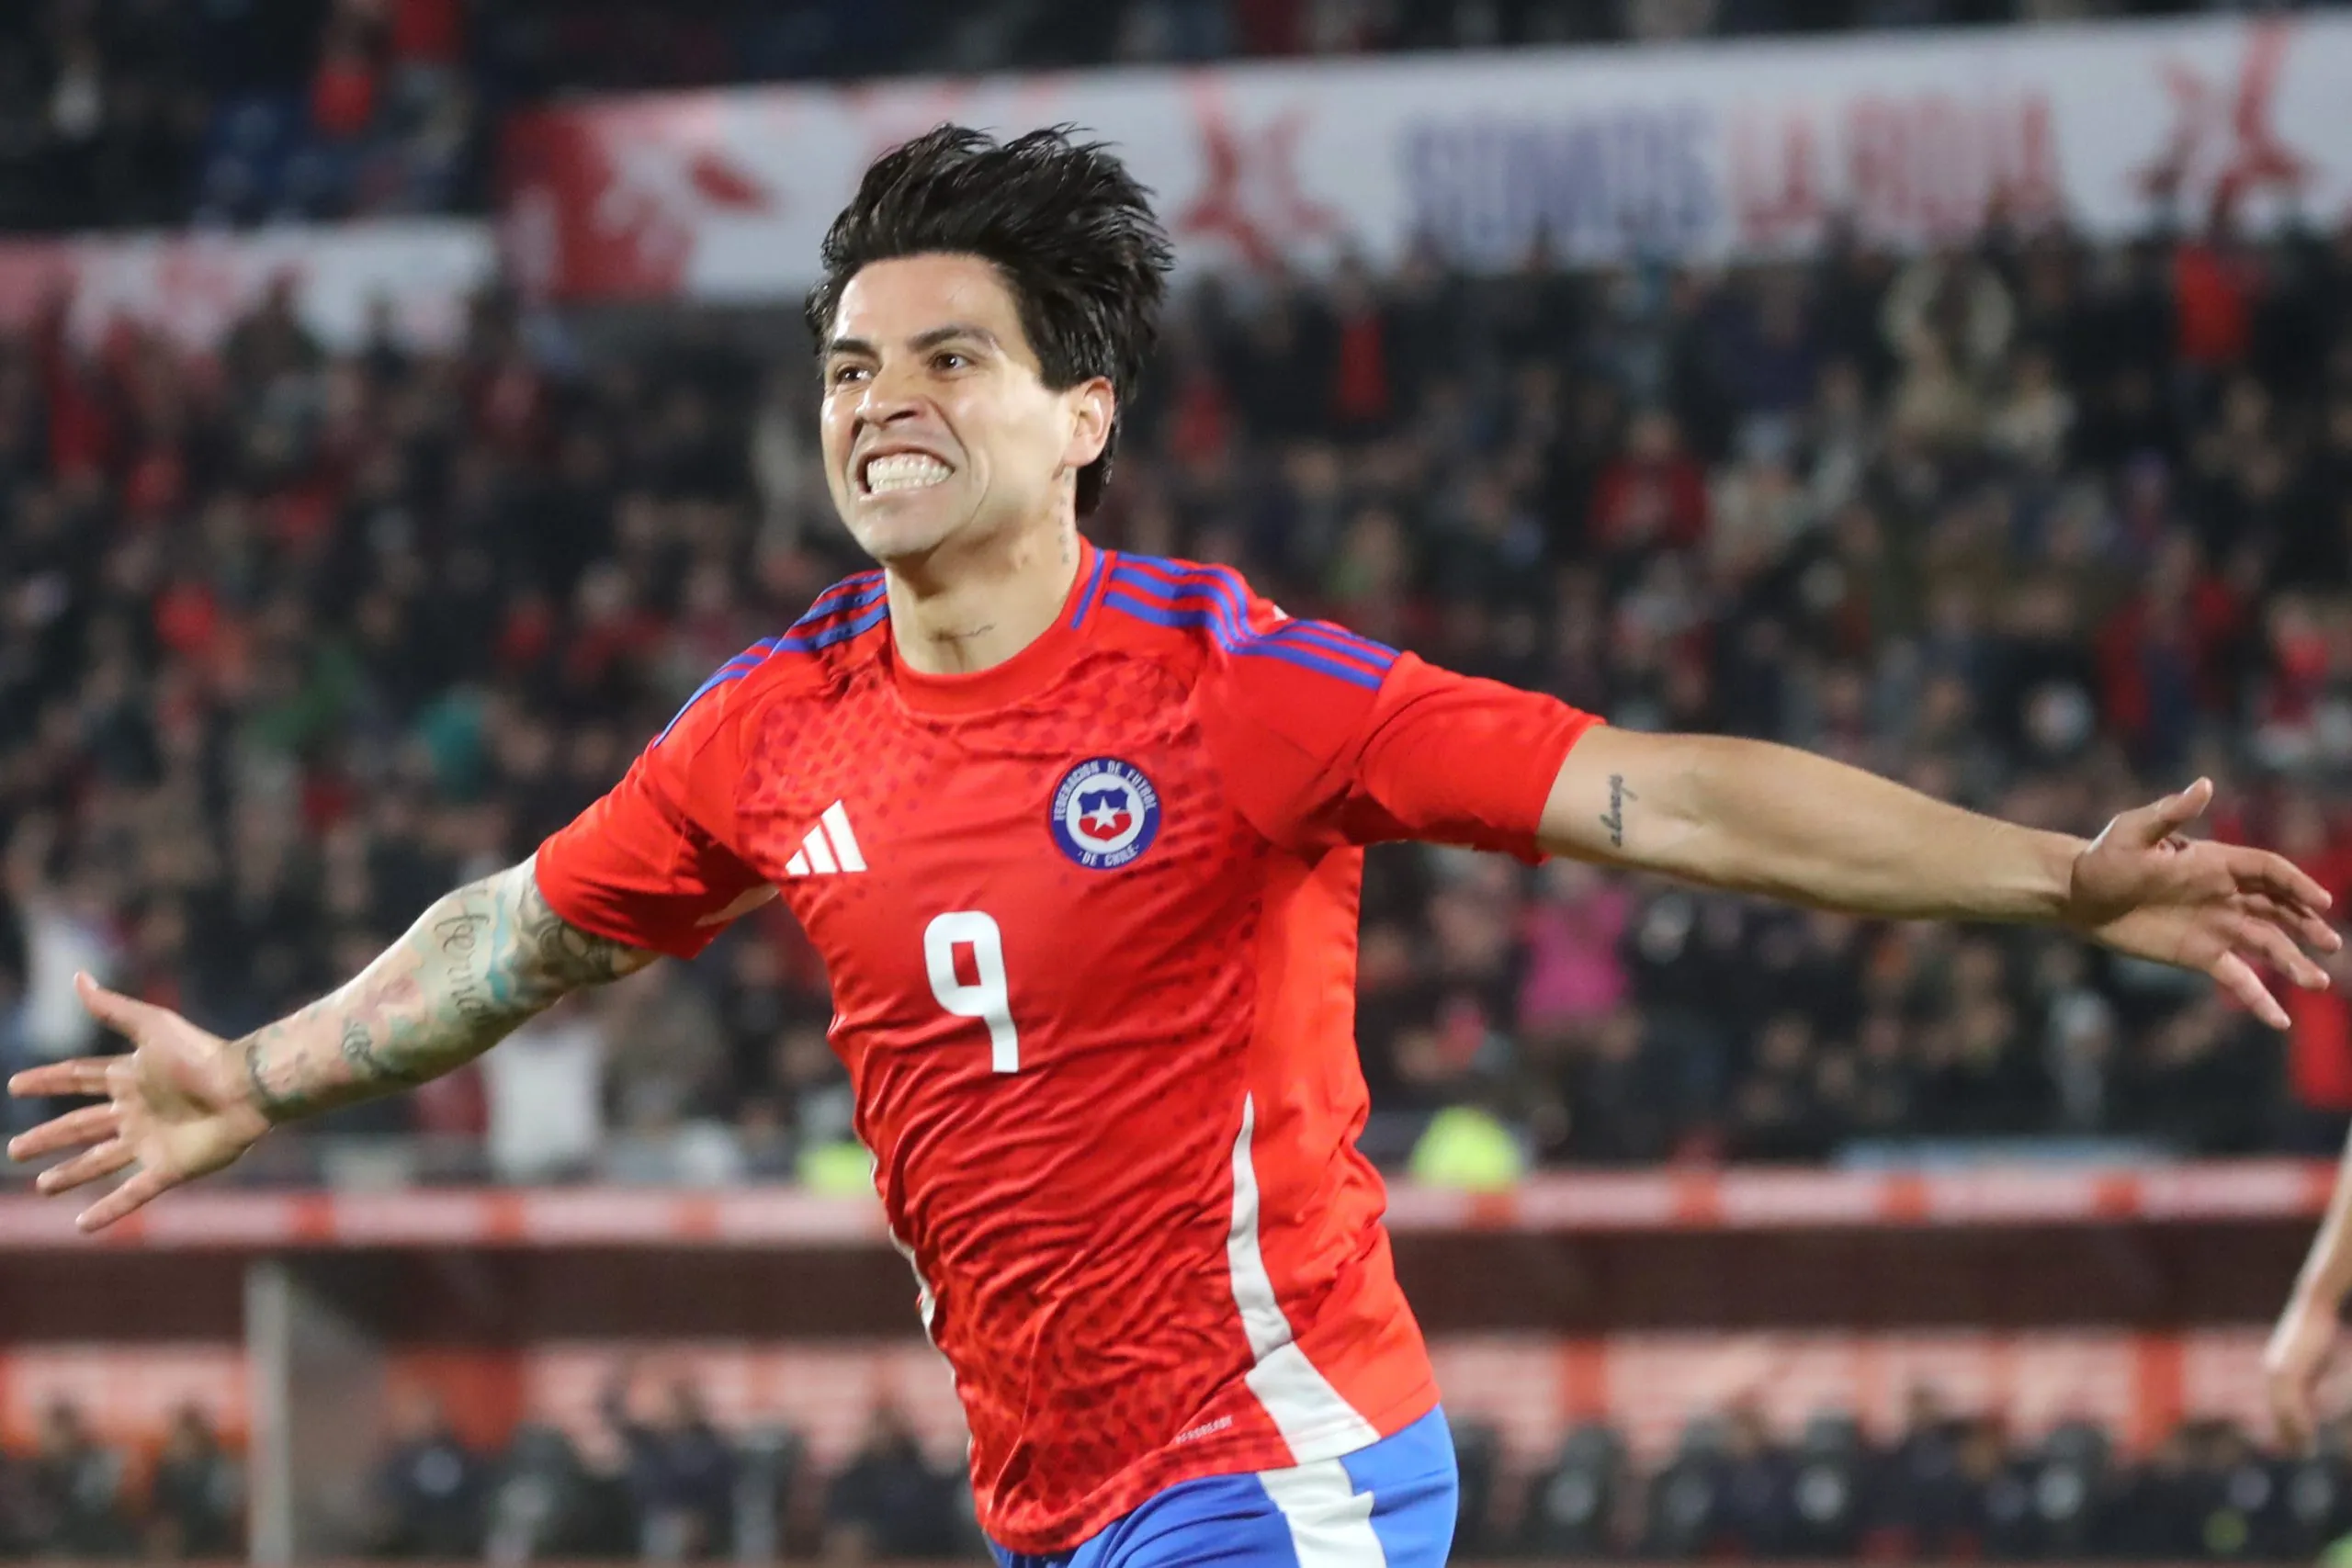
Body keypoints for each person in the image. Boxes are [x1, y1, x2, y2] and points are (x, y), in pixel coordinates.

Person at [6, 126, 2339, 1568]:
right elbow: (513, 936)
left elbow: (1662, 793)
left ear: (1078, 413)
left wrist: (2051, 878)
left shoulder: (1235, 687)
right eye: (844, 366)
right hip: (1052, 1502)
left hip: (1285, 1464)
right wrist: (264, 1076)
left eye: (943, 360)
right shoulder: (765, 725)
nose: (878, 404)